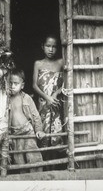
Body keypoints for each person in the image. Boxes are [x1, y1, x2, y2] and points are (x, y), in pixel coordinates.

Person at [32, 34, 65, 169]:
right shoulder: (38, 64)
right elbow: (34, 85)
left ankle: (56, 168)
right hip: (43, 105)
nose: (51, 49)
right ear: (42, 47)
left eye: (54, 47)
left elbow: (67, 81)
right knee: (43, 136)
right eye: (48, 46)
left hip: (56, 105)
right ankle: (44, 167)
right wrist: (47, 98)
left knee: (57, 136)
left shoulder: (61, 63)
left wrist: (56, 94)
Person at [8, 68, 46, 173]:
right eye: (10, 83)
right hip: (15, 134)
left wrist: (39, 130)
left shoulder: (26, 98)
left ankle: (38, 178)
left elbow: (36, 116)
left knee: (33, 157)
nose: (12, 86)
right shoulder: (6, 100)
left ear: (22, 85)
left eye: (16, 83)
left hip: (28, 131)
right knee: (19, 161)